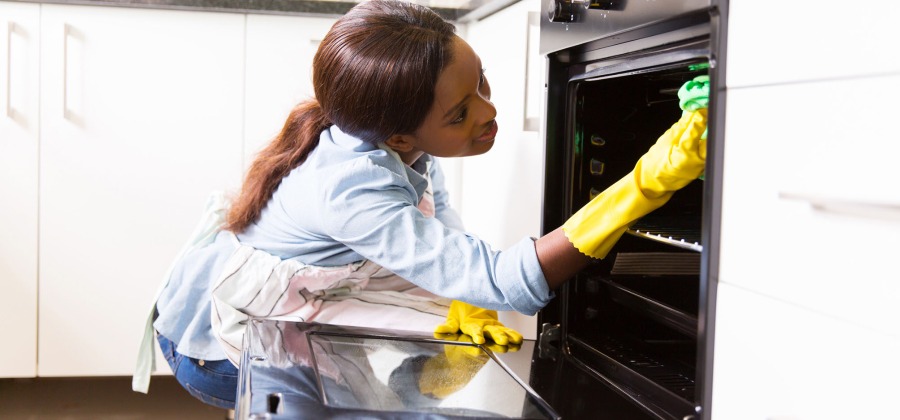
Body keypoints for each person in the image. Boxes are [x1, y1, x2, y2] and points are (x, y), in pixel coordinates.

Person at [132, 0, 709, 410]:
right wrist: (643, 186)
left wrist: (464, 289)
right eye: (459, 113)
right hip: (217, 348)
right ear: (399, 136)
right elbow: (504, 281)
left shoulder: (393, 140)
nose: (488, 114)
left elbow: (440, 220)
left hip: (294, 310)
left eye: (481, 83)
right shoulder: (349, 186)